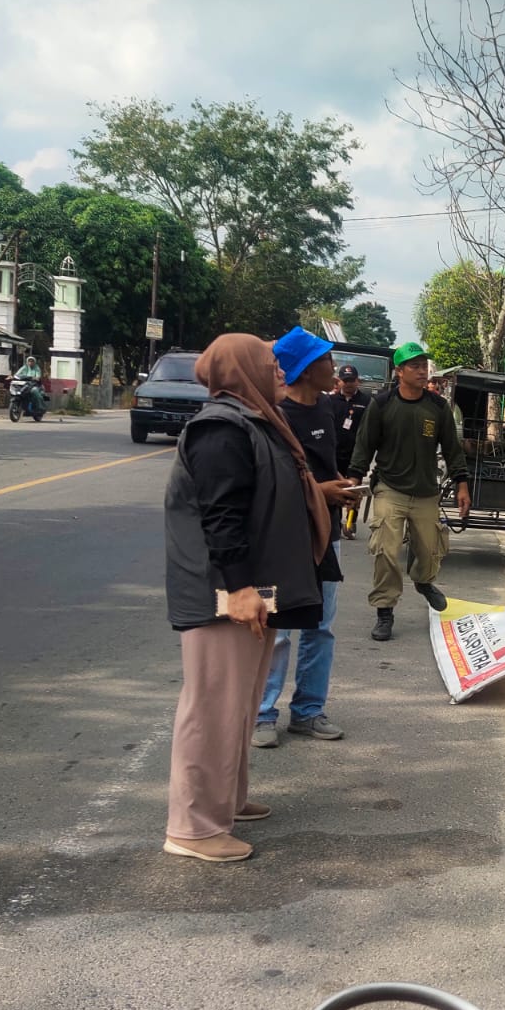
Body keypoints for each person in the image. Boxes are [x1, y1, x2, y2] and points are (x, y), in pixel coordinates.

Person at [162, 334, 331, 863]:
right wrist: (237, 589)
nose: (280, 372)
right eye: (269, 364)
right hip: (223, 592)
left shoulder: (254, 422)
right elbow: (222, 516)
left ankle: (225, 802)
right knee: (213, 707)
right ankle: (192, 828)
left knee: (237, 705)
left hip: (250, 586)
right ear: (243, 372)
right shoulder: (221, 429)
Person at [253, 327, 362, 749]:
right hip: (281, 541)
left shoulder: (326, 410)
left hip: (325, 535)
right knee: (275, 629)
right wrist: (321, 492)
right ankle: (262, 713)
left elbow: (319, 465)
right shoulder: (272, 416)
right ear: (303, 369)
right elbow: (270, 483)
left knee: (320, 626)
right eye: (325, 360)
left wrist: (339, 483)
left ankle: (309, 711)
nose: (333, 368)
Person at [348, 341, 470, 640]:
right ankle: (385, 610)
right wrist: (353, 479)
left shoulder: (438, 407)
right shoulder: (383, 404)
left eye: (424, 364)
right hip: (390, 488)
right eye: (414, 365)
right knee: (386, 551)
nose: (421, 370)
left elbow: (452, 449)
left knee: (430, 550)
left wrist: (462, 484)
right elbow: (365, 445)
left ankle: (423, 582)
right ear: (399, 371)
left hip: (427, 491)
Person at [328, 363, 372, 537]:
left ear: (358, 381)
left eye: (351, 380)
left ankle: (350, 522)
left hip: (356, 455)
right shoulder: (330, 401)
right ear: (339, 381)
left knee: (353, 490)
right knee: (337, 490)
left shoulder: (366, 402)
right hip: (334, 454)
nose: (348, 384)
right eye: (345, 381)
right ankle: (336, 523)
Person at [12, 353, 46, 419]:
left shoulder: (37, 368)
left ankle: (40, 407)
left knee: (34, 391)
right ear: (27, 362)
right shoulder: (24, 367)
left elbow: (38, 376)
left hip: (34, 385)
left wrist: (36, 378)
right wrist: (12, 376)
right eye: (29, 361)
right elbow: (17, 374)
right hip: (25, 384)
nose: (30, 362)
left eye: (32, 361)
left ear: (34, 362)